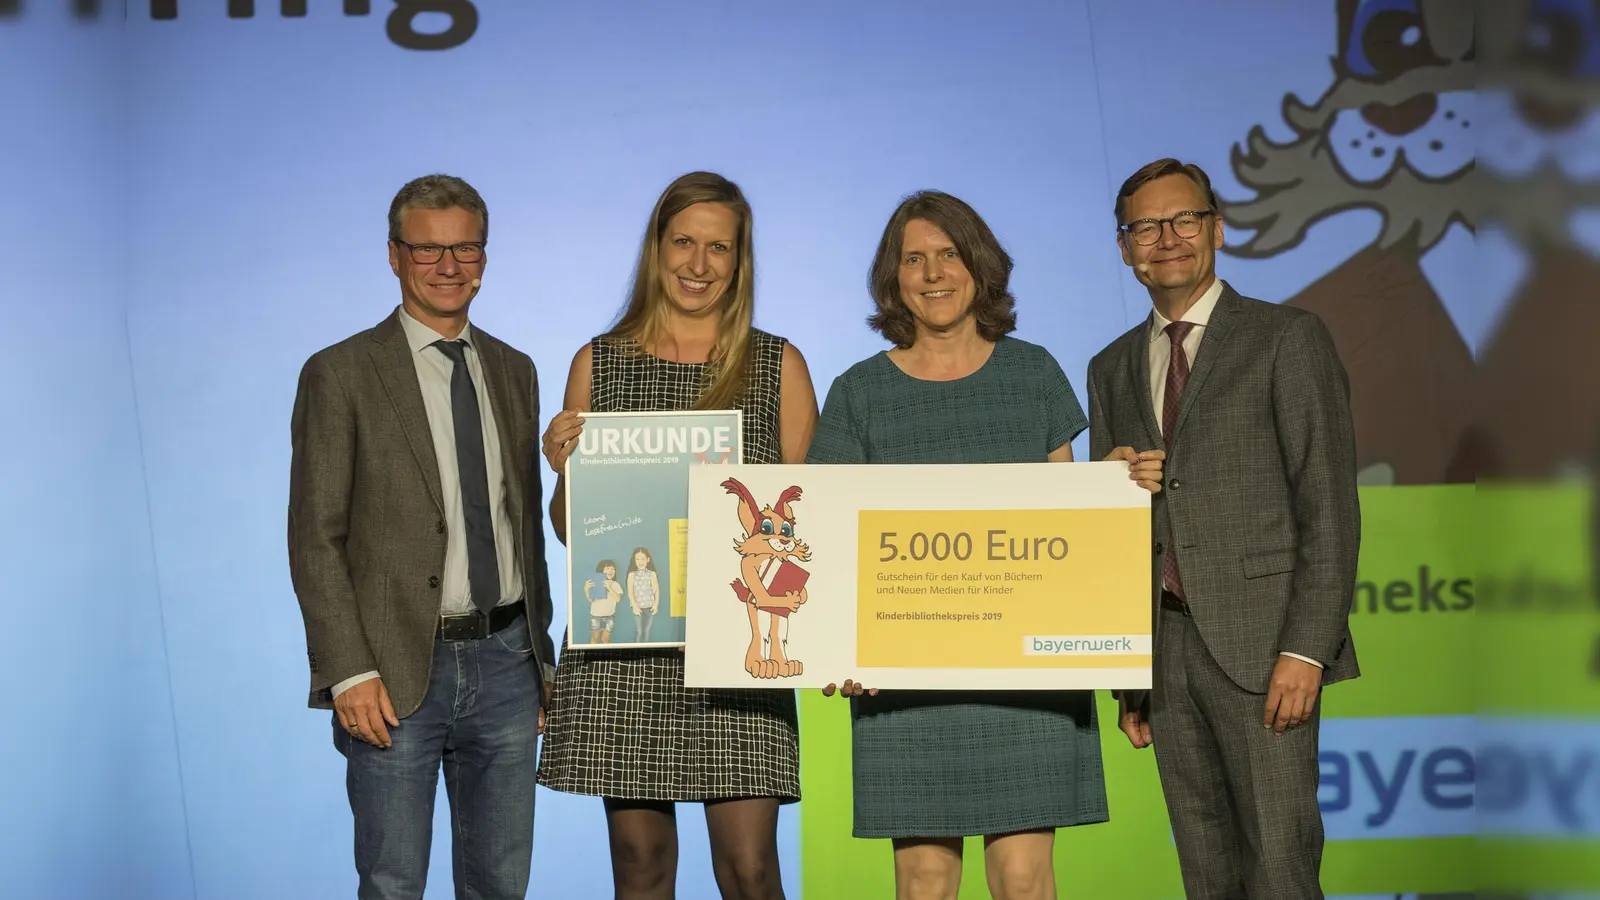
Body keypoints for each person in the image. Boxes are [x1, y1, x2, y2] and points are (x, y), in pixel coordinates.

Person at [810, 190, 1165, 900]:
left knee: (1025, 883)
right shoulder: (857, 393)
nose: (933, 273)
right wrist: (832, 648)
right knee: (924, 884)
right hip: (905, 685)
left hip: (1026, 681)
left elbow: (1065, 527)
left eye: (949, 254)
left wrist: (1111, 486)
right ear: (893, 277)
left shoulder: (1033, 374)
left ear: (979, 265)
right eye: (914, 259)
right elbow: (829, 537)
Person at [536, 170, 819, 900]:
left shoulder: (777, 365)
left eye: (718, 247)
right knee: (640, 866)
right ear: (656, 248)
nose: (698, 264)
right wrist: (565, 472)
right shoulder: (599, 363)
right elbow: (574, 534)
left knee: (750, 869)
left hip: (737, 648)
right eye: (683, 242)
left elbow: (808, 522)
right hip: (628, 649)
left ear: (740, 259)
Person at [1087, 158, 1360, 899]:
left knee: (1279, 865)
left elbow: (1328, 506)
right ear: (1124, 247)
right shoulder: (1110, 367)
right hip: (1163, 652)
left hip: (1267, 647)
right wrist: (1127, 678)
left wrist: (1307, 648)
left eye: (1185, 219)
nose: (1167, 237)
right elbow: (1114, 535)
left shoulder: (1286, 337)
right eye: (1146, 226)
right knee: (1205, 875)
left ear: (1217, 228)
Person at [287, 173, 557, 900]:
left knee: (500, 886)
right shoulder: (340, 373)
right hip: (393, 672)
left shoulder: (515, 370)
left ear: (484, 257)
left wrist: (539, 658)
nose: (447, 266)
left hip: (507, 664)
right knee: (392, 884)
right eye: (427, 249)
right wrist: (347, 671)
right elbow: (315, 537)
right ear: (394, 255)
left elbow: (522, 526)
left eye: (464, 249)